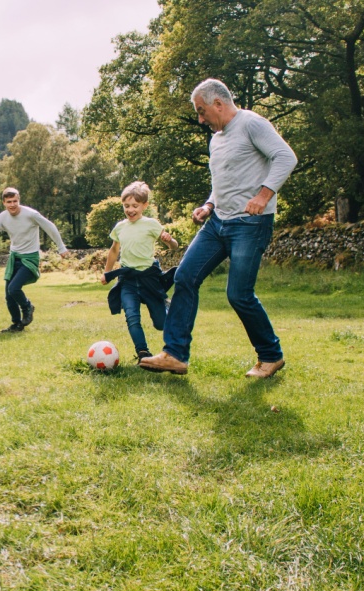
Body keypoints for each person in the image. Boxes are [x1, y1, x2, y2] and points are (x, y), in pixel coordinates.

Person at [140, 78, 297, 377]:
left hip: (250, 224)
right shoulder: (217, 138)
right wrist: (209, 205)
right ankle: (175, 354)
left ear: (218, 104)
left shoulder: (252, 124)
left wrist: (264, 195)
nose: (200, 119)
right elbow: (222, 179)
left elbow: (286, 157)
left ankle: (271, 355)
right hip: (218, 222)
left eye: (201, 111)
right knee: (185, 277)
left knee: (239, 294)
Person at [0, 187, 70, 333]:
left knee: (14, 288)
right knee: (9, 296)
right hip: (14, 258)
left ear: (19, 200)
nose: (12, 205)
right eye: (9, 202)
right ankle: (16, 324)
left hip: (30, 258)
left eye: (15, 201)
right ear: (4, 202)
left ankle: (28, 307)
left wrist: (61, 247)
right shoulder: (3, 217)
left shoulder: (31, 214)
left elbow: (50, 227)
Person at [100, 181, 179, 362]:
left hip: (149, 278)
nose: (130, 210)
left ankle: (166, 307)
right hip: (127, 279)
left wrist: (169, 240)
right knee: (132, 316)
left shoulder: (151, 224)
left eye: (135, 206)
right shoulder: (120, 227)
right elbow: (113, 250)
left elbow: (174, 246)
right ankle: (143, 353)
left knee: (161, 324)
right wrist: (107, 272)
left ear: (144, 205)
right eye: (126, 206)